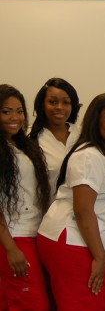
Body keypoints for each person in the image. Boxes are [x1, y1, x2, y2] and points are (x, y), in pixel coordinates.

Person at [37, 92, 105, 311]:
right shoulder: (89, 155)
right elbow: (83, 210)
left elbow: (104, 208)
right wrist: (99, 256)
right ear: (95, 120)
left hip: (89, 240)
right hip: (70, 240)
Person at [0, 84, 50, 311]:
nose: (15, 117)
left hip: (34, 234)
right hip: (14, 237)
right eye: (6, 111)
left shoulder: (23, 146)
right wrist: (10, 248)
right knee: (34, 304)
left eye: (19, 111)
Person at [29, 78, 81, 200]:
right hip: (44, 210)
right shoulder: (28, 137)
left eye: (66, 102)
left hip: (82, 208)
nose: (59, 107)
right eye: (52, 102)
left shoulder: (83, 134)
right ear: (42, 105)